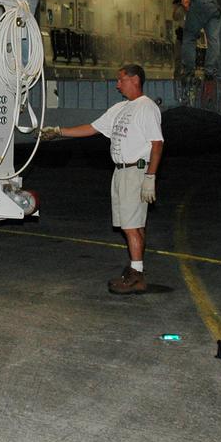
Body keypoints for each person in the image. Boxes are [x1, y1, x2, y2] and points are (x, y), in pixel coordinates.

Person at [40, 64, 163, 293]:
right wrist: (58, 131)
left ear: (135, 80)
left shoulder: (147, 108)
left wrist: (150, 176)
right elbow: (92, 128)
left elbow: (157, 144)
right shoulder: (121, 108)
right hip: (121, 172)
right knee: (133, 224)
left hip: (135, 172)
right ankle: (136, 269)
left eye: (121, 80)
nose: (117, 85)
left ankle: (136, 276)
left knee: (131, 226)